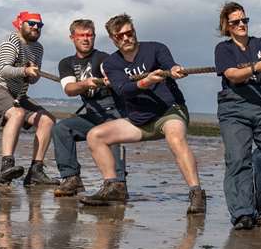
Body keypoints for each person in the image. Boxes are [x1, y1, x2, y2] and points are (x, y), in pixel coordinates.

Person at [80, 14, 208, 215]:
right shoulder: (112, 63)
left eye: (129, 33)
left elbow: (169, 64)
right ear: (113, 39)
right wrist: (145, 82)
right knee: (95, 135)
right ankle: (114, 187)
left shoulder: (155, 48)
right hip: (139, 120)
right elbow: (122, 89)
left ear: (134, 32)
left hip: (169, 112)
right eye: (119, 36)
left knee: (175, 138)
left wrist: (174, 69)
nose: (126, 38)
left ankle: (196, 193)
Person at [214, 2, 261, 230]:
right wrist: (256, 67)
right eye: (235, 22)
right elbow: (233, 75)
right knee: (238, 157)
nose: (241, 25)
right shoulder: (223, 49)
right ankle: (242, 213)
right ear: (227, 26)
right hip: (234, 109)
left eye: (244, 20)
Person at [0, 10, 55, 185]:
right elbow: (4, 69)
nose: (36, 27)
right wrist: (25, 70)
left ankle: (36, 171)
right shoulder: (10, 42)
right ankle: (6, 166)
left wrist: (33, 75)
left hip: (17, 95)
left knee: (47, 121)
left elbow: (32, 79)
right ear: (20, 24)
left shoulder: (38, 48)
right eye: (31, 23)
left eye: (39, 25)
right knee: (17, 114)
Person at [51, 19, 127, 197]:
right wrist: (85, 83)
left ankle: (118, 184)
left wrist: (111, 78)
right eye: (81, 35)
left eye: (89, 35)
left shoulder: (103, 58)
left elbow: (111, 71)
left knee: (112, 133)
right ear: (72, 38)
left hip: (114, 111)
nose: (86, 39)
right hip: (93, 114)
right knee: (61, 128)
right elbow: (69, 89)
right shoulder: (66, 63)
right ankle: (71, 179)